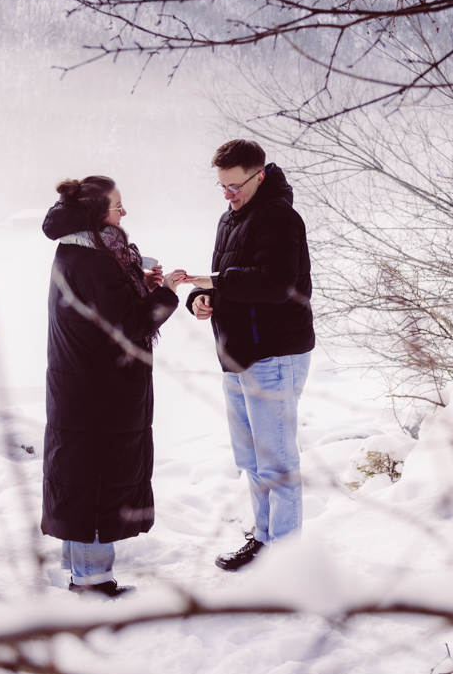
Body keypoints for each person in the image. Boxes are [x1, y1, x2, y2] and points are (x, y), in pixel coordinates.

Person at [171, 140, 314, 572]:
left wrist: (215, 281)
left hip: (273, 355)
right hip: (236, 356)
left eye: (235, 185)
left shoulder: (280, 218)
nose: (228, 194)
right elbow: (226, 281)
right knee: (253, 460)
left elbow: (276, 285)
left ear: (260, 174)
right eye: (222, 186)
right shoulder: (231, 218)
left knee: (277, 463)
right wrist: (200, 297)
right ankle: (265, 539)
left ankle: (286, 561)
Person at [42, 176, 177, 597]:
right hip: (97, 392)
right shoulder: (94, 260)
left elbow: (111, 309)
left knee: (84, 476)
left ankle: (81, 568)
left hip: (86, 388)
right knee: (96, 482)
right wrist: (167, 293)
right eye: (117, 206)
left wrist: (140, 284)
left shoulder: (83, 250)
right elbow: (131, 325)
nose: (123, 212)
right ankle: (92, 581)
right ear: (96, 213)